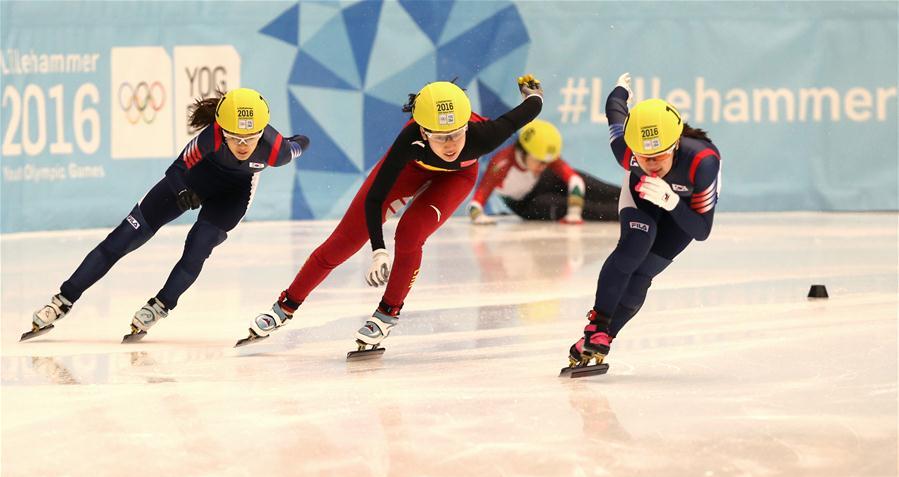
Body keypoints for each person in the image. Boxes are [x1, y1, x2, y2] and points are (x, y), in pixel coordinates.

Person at [237, 75, 544, 354]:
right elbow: (375, 200)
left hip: (456, 179)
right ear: (422, 131)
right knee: (344, 241)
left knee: (410, 233)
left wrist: (532, 92)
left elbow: (531, 108)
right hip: (411, 169)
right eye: (439, 137)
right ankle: (285, 306)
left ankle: (388, 313)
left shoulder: (483, 135)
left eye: (456, 134)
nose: (450, 145)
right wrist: (378, 250)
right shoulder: (408, 142)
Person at [21, 88, 310, 342]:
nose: (244, 146)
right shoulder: (210, 139)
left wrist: (294, 141)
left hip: (232, 195)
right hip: (193, 181)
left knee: (200, 244)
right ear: (221, 129)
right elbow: (176, 170)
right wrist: (184, 193)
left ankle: (161, 304)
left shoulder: (276, 151)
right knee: (123, 238)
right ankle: (63, 300)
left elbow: (301, 142)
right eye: (235, 137)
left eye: (251, 137)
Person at [566, 73, 721, 374]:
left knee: (642, 275)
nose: (651, 165)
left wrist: (673, 202)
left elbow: (701, 231)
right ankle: (596, 327)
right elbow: (614, 109)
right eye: (644, 157)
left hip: (684, 206)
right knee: (635, 246)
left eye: (659, 157)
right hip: (642, 196)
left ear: (676, 144)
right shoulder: (625, 151)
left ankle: (606, 337)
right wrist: (620, 90)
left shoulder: (703, 163)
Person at [466, 119, 619, 224]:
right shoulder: (501, 164)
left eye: (547, 162)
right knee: (567, 206)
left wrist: (574, 211)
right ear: (524, 152)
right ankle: (624, 214)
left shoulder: (543, 159)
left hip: (543, 183)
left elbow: (575, 180)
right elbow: (477, 202)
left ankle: (634, 198)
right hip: (526, 204)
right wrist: (477, 216)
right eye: (540, 161)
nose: (544, 166)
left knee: (591, 185)